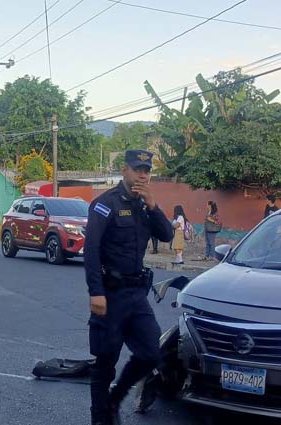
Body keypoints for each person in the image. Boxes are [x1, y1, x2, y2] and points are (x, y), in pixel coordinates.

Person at [84, 150, 173, 425]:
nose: (143, 175)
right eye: (138, 169)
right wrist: (96, 292)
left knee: (151, 352)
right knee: (105, 361)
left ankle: (115, 400)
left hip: (136, 295)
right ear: (124, 170)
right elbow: (92, 250)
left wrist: (154, 206)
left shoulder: (145, 206)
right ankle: (101, 418)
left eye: (147, 170)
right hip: (110, 294)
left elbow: (167, 235)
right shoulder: (105, 204)